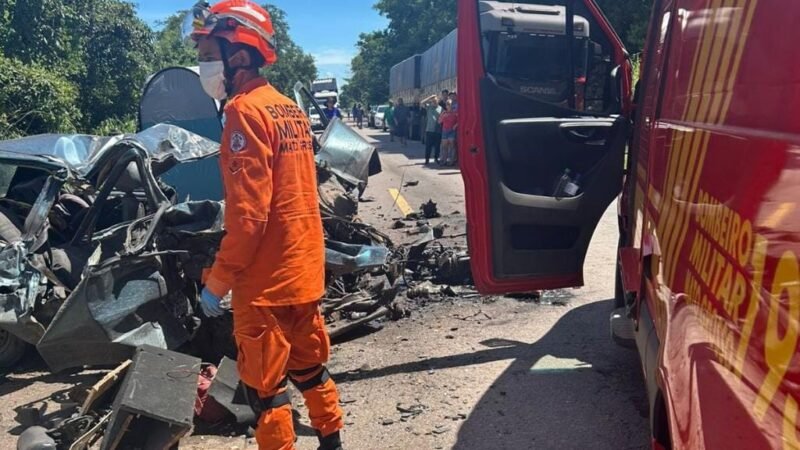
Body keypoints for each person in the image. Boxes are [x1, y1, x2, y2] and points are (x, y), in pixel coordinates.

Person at [189, 2, 344, 449]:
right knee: (311, 370)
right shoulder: (288, 109)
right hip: (303, 272)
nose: (203, 67)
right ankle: (332, 442)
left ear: (238, 56)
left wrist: (218, 282)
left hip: (265, 285)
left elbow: (248, 218)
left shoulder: (244, 112)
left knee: (267, 391)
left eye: (207, 56)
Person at [438, 100, 458, 166]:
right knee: (444, 146)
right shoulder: (444, 113)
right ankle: (444, 160)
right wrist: (442, 115)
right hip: (445, 130)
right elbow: (439, 121)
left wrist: (455, 125)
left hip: (452, 130)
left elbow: (460, 120)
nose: (448, 106)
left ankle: (452, 161)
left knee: (452, 146)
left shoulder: (455, 113)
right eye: (447, 104)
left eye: (449, 104)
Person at [424, 98, 442, 164]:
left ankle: (436, 158)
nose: (434, 102)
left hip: (438, 130)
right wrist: (430, 97)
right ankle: (427, 159)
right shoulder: (429, 107)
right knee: (428, 146)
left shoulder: (441, 108)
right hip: (429, 129)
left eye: (435, 101)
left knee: (437, 146)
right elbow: (422, 102)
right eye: (433, 101)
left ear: (438, 101)